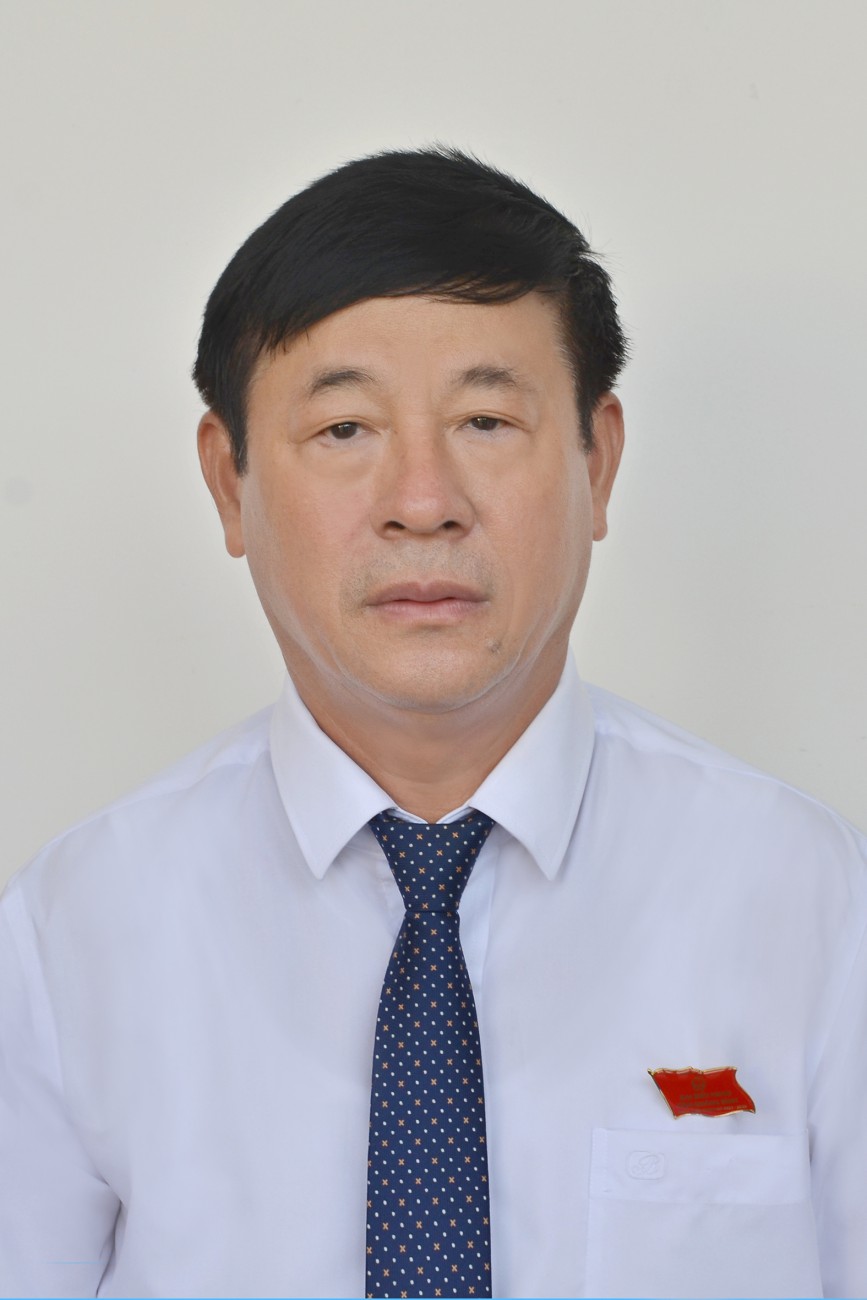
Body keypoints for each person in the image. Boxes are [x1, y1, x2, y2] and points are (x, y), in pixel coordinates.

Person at [1, 147, 865, 1300]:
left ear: (599, 461)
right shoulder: (71, 936)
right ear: (229, 482)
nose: (422, 502)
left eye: (486, 420)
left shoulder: (817, 908)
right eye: (344, 429)